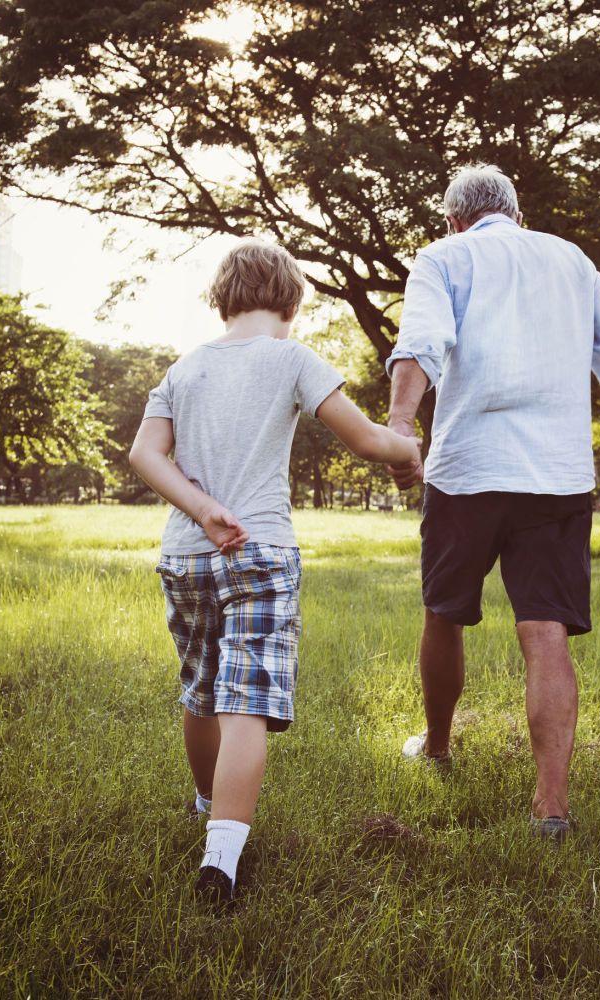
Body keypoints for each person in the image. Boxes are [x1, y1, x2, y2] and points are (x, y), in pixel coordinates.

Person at [384, 164, 600, 841]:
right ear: (518, 215)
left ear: (454, 220)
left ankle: (437, 746)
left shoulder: (443, 256)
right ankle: (551, 804)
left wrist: (401, 427)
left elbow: (422, 342)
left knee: (444, 613)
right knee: (546, 632)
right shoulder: (571, 260)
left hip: (466, 469)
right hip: (556, 473)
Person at [130, 237, 420, 905]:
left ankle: (208, 804)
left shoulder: (186, 366)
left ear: (222, 299)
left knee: (202, 691)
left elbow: (145, 454)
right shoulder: (293, 358)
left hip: (185, 553)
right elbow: (367, 438)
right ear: (291, 301)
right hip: (259, 550)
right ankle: (222, 862)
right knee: (246, 704)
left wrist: (204, 510)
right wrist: (409, 451)